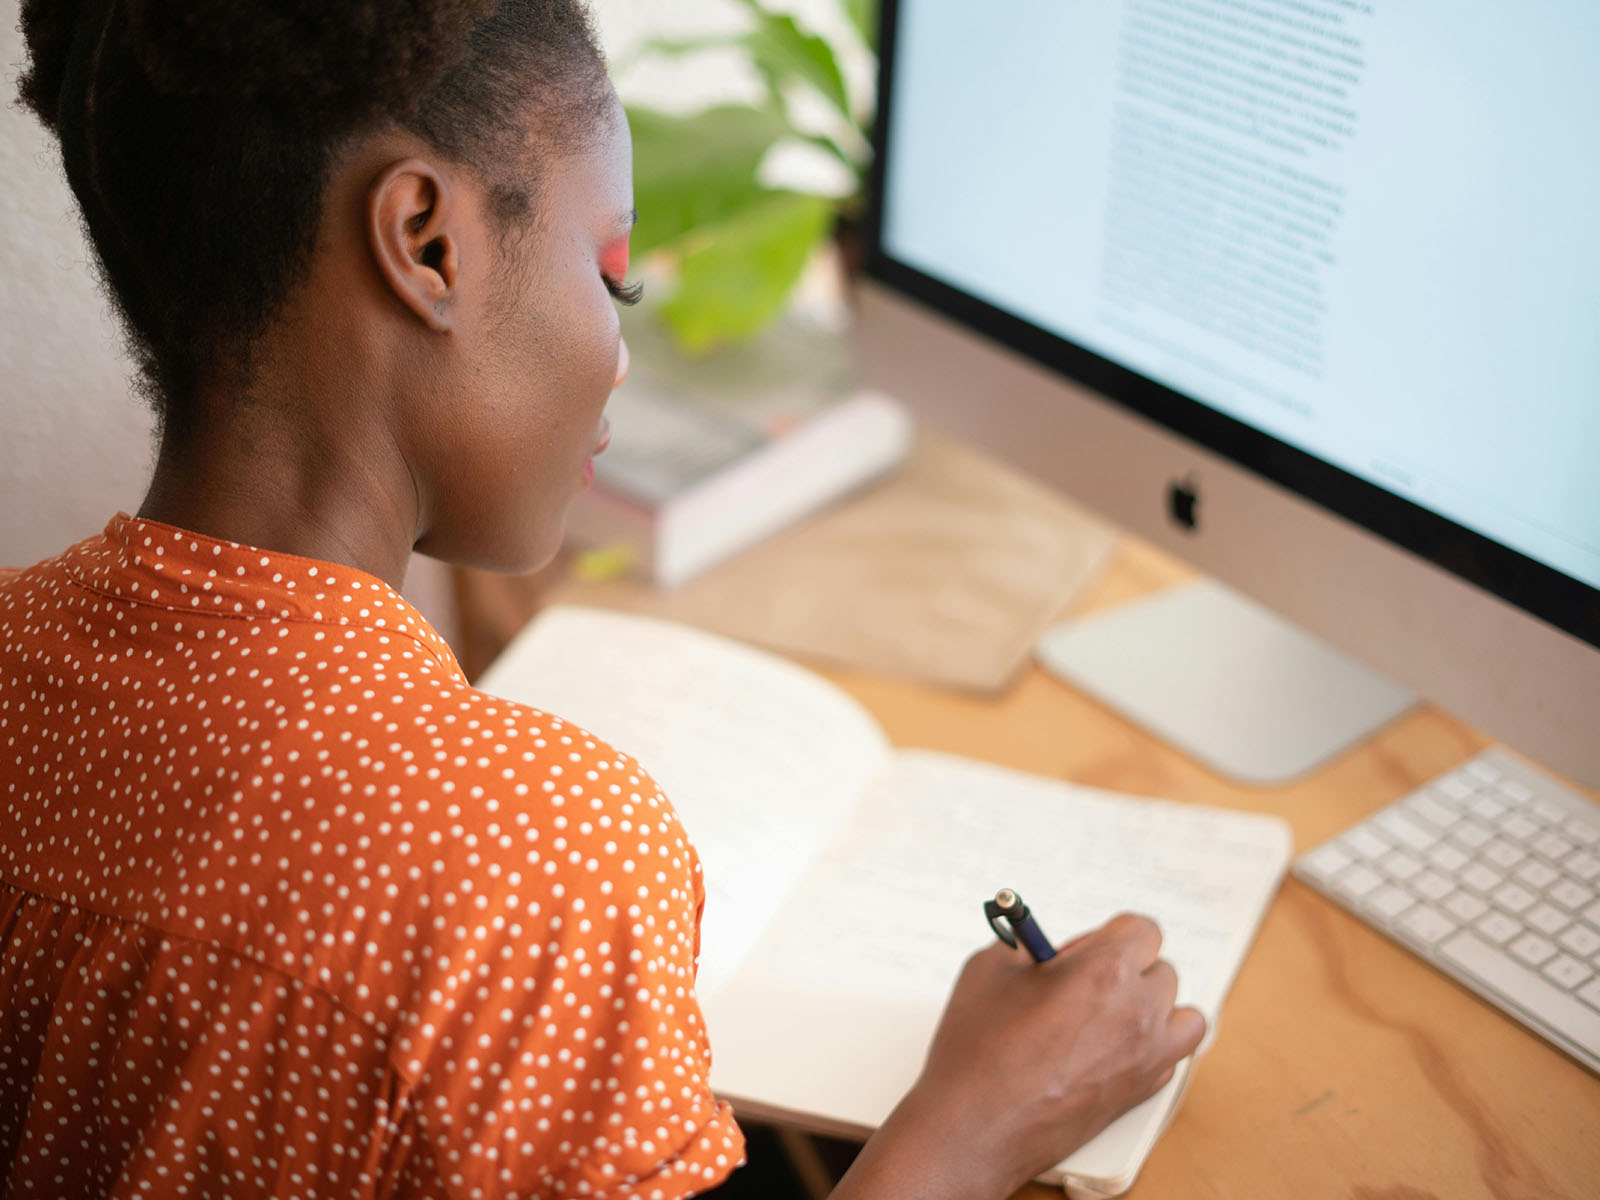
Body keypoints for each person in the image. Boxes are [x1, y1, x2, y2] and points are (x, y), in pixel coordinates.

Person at [0, 2, 1205, 1197]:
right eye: (611, 277)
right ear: (426, 242)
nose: (619, 356)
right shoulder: (532, 862)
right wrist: (974, 1122)